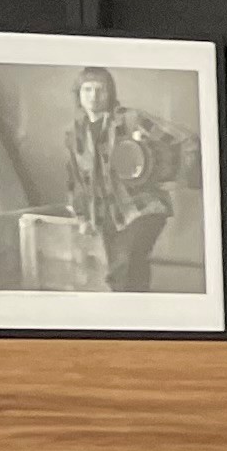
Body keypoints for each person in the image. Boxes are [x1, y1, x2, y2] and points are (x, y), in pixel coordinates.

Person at [62, 65, 188, 291]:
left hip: (142, 208)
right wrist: (82, 217)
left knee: (122, 271)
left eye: (100, 89)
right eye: (87, 89)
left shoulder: (131, 119)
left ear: (110, 93)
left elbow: (180, 140)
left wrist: (173, 175)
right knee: (131, 271)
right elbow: (76, 180)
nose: (93, 96)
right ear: (78, 94)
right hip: (108, 215)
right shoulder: (75, 134)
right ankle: (139, 311)